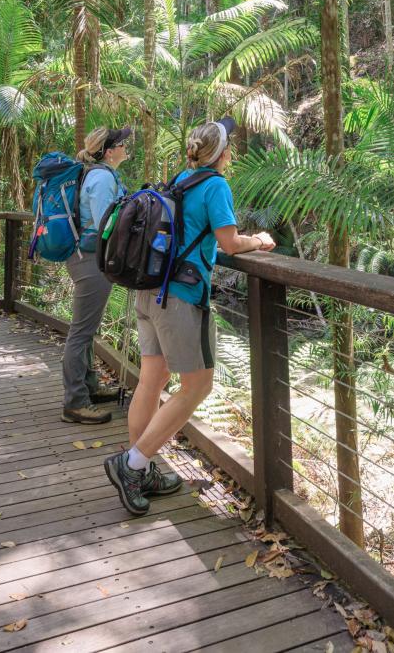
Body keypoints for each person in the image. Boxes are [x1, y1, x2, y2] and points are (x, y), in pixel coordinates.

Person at [103, 116, 276, 514]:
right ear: (223, 154)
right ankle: (132, 465)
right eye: (230, 146)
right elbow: (230, 243)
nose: (232, 151)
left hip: (150, 293)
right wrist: (261, 241)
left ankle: (140, 467)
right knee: (198, 387)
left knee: (152, 380)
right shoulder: (215, 185)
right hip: (180, 297)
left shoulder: (180, 178)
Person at [61, 126, 130, 425]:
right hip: (90, 259)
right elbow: (107, 223)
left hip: (85, 257)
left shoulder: (98, 175)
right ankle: (75, 403)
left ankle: (88, 388)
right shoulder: (102, 178)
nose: (126, 146)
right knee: (81, 332)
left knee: (87, 330)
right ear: (109, 151)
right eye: (122, 143)